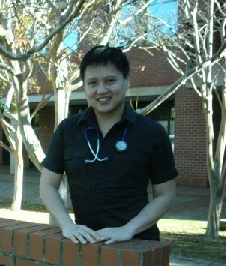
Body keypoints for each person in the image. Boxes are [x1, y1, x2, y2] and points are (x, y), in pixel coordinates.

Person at [39, 45, 178, 245]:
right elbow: (47, 184)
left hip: (137, 244)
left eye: (110, 81)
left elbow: (166, 194)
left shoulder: (152, 132)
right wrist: (67, 225)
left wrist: (128, 229)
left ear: (126, 81)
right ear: (85, 86)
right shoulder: (68, 130)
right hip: (85, 244)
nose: (102, 90)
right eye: (93, 83)